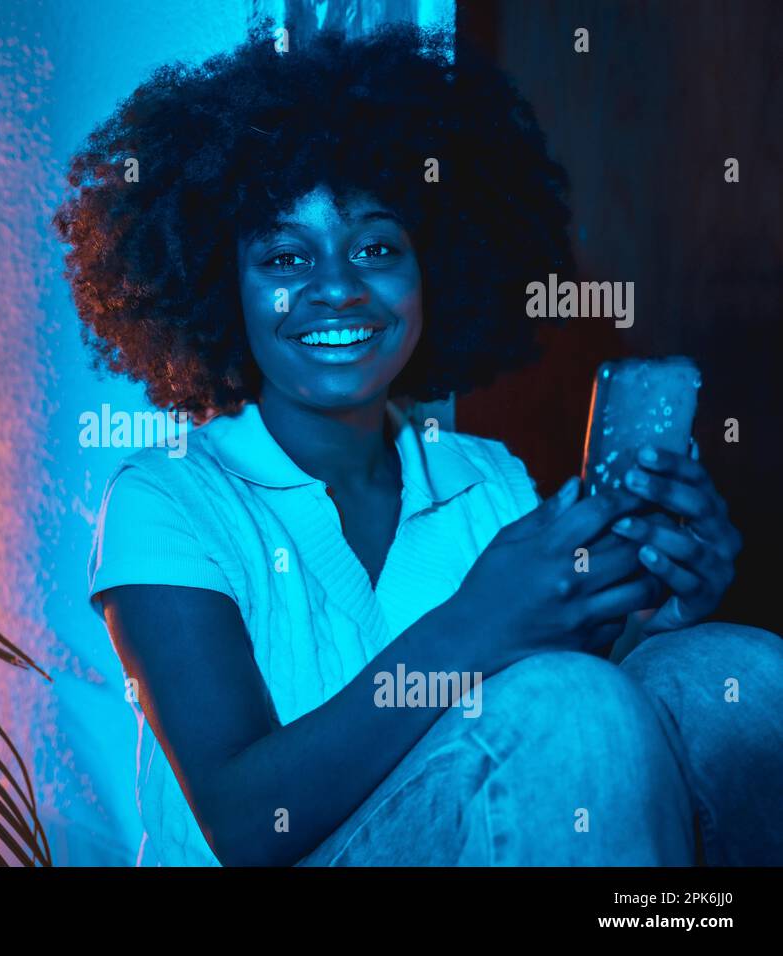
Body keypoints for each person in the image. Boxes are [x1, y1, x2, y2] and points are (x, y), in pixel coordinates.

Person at [52, 20, 783, 867]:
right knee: (566, 703)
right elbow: (249, 826)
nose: (337, 286)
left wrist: (658, 613)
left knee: (737, 670)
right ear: (220, 290)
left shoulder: (486, 479)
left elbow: (579, 746)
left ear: (433, 271)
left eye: (376, 247)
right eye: (286, 258)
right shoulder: (165, 498)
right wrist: (475, 622)